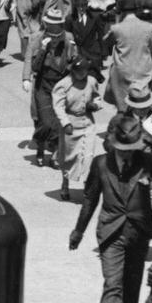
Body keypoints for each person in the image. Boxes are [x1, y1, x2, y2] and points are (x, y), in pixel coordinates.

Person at [70, 114, 152, 303]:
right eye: (123, 150)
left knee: (133, 278)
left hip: (139, 231)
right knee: (113, 281)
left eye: (132, 149)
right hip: (110, 231)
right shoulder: (100, 164)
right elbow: (90, 199)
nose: (128, 154)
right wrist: (78, 231)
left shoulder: (148, 162)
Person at [24, 7, 76, 168]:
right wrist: (26, 78)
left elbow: (74, 61)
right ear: (45, 23)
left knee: (60, 121)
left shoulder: (68, 37)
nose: (54, 26)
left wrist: (73, 52)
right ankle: (40, 145)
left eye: (57, 23)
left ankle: (55, 155)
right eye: (50, 23)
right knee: (45, 121)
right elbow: (30, 62)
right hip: (43, 84)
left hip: (61, 84)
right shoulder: (37, 37)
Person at [52, 57, 104, 201]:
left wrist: (95, 105)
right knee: (69, 157)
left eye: (84, 71)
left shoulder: (91, 81)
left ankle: (88, 186)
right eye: (79, 72)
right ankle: (65, 183)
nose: (82, 75)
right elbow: (58, 106)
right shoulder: (63, 85)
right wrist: (65, 123)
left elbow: (97, 97)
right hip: (71, 124)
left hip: (87, 123)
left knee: (88, 155)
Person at [106, 0, 152, 111]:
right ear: (138, 10)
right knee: (142, 106)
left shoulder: (116, 28)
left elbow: (108, 46)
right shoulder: (148, 27)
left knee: (123, 107)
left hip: (122, 72)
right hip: (143, 72)